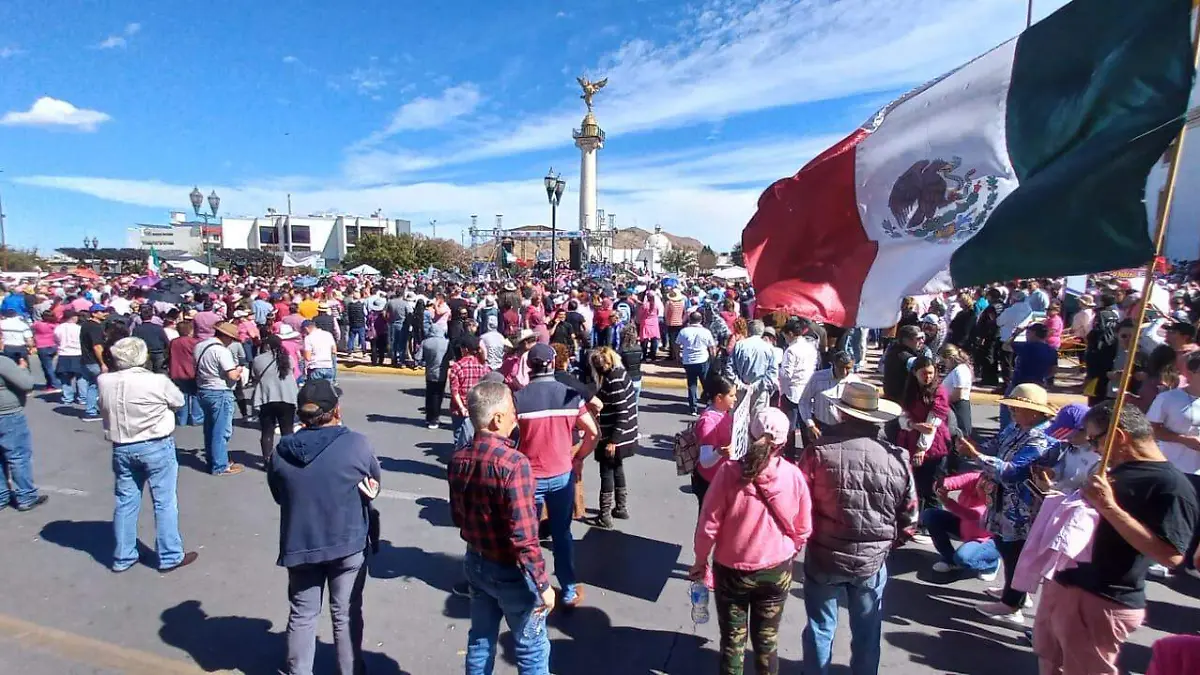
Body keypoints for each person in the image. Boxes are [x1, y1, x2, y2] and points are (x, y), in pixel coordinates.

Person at [1035, 402, 1199, 675]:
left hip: (1100, 599)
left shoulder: (1171, 486)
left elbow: (1170, 556)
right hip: (1065, 585)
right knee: (1048, 660)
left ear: (1119, 437)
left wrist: (1110, 508)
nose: (1093, 448)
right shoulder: (1113, 470)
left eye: (1095, 440)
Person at [799, 381, 916, 675]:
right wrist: (888, 544)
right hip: (872, 561)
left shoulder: (817, 452)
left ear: (841, 414)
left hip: (824, 553)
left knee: (819, 627)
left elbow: (798, 505)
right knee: (867, 631)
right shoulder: (898, 458)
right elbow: (910, 519)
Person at [267, 379, 381, 675]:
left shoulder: (281, 452)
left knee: (303, 613)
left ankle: (298, 670)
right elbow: (374, 483)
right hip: (348, 542)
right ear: (336, 410)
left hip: (300, 543)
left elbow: (279, 495)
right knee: (345, 613)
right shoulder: (356, 443)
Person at [691, 407, 812, 675]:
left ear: (748, 432)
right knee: (767, 642)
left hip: (731, 568)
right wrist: (791, 548)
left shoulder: (728, 473)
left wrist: (701, 561)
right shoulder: (793, 476)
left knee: (733, 641)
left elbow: (708, 525)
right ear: (783, 443)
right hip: (776, 568)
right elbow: (803, 527)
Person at [449, 380, 554, 674]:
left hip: (477, 562)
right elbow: (524, 536)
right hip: (511, 572)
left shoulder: (458, 459)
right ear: (497, 419)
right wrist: (543, 584)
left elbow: (458, 516)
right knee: (532, 648)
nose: (515, 418)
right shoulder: (514, 463)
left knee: (480, 640)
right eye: (511, 412)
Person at [956, 382, 1059, 626]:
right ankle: (1014, 591)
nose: (1012, 412)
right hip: (1003, 502)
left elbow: (1011, 471)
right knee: (1006, 547)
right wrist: (974, 449)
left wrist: (976, 456)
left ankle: (1013, 603)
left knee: (1016, 552)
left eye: (1017, 408)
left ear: (1034, 412)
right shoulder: (1016, 428)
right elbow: (993, 446)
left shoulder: (1040, 439)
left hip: (1022, 508)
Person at [98, 337, 198, 573]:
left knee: (126, 500)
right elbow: (179, 401)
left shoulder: (105, 381)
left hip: (122, 445)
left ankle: (124, 554)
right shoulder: (156, 381)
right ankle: (170, 554)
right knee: (164, 501)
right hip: (155, 443)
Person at [513, 343, 600, 608]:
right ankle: (569, 588)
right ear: (552, 364)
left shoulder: (518, 398)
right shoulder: (570, 395)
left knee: (529, 536)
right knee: (562, 534)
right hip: (562, 476)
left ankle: (534, 586)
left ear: (530, 367)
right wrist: (578, 456)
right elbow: (592, 433)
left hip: (530, 478)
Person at [896, 355, 951, 516]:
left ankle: (933, 522)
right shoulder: (910, 389)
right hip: (910, 438)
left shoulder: (939, 391)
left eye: (931, 373)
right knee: (915, 486)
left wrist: (921, 449)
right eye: (923, 373)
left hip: (933, 444)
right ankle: (917, 521)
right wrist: (912, 425)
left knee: (932, 487)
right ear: (914, 373)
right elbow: (903, 415)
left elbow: (931, 424)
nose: (928, 377)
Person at [589, 347, 638, 529]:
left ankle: (605, 514)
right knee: (617, 468)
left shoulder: (613, 379)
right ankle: (621, 507)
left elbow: (621, 411)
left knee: (607, 472)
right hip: (625, 434)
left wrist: (612, 441)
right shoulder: (620, 372)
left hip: (614, 434)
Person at [921, 471, 1000, 578]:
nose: (984, 481)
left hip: (985, 537)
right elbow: (952, 482)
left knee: (963, 559)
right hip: (964, 525)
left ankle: (990, 564)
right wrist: (941, 486)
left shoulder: (997, 496)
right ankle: (950, 560)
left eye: (989, 481)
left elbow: (973, 515)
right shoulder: (973, 478)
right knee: (930, 515)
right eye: (984, 477)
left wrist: (947, 502)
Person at [194, 322, 245, 477]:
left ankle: (213, 459)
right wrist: (239, 371)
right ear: (226, 337)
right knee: (221, 430)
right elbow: (231, 375)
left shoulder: (200, 346)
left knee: (210, 428)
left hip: (203, 389)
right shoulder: (221, 351)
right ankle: (220, 465)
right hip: (219, 390)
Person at [251, 333, 299, 462]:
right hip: (287, 397)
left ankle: (267, 460)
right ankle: (288, 458)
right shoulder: (288, 358)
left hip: (267, 397)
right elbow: (293, 372)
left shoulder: (258, 359)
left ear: (267, 345)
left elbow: (255, 376)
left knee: (267, 431)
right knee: (287, 430)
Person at [796, 351, 860, 439]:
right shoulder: (818, 378)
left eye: (848, 368)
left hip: (845, 429)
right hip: (821, 427)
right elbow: (804, 401)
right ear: (833, 364)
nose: (844, 372)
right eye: (841, 367)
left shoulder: (855, 381)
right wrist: (810, 425)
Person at [448, 334, 490, 449]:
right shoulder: (482, 367)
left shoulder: (457, 367)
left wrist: (461, 407)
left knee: (459, 439)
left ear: (465, 349)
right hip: (476, 408)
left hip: (460, 409)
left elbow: (454, 390)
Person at [678, 311, 717, 416]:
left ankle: (693, 408)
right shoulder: (706, 332)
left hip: (688, 361)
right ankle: (709, 405)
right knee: (706, 383)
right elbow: (712, 347)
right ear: (701, 320)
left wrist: (679, 357)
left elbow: (677, 345)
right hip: (702, 360)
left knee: (692, 384)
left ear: (690, 320)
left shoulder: (684, 331)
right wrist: (713, 360)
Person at [168, 320, 204, 426]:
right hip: (191, 372)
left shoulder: (173, 342)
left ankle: (181, 418)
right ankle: (196, 417)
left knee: (182, 395)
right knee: (195, 395)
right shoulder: (194, 342)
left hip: (177, 371)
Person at [79, 306, 110, 422]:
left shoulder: (85, 325)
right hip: (93, 361)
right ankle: (90, 411)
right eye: (102, 312)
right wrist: (103, 362)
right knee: (95, 385)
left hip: (86, 359)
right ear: (94, 313)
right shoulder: (94, 327)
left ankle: (93, 407)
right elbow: (97, 346)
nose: (105, 314)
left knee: (91, 384)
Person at [881, 325, 925, 403]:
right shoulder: (906, 357)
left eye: (922, 338)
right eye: (918, 338)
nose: (922, 341)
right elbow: (923, 372)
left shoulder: (893, 348)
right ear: (906, 340)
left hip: (893, 395)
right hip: (900, 400)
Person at [940, 343, 974, 437]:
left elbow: (959, 394)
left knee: (959, 434)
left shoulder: (960, 370)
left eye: (945, 362)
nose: (945, 365)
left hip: (957, 407)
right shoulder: (958, 369)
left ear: (950, 358)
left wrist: (941, 401)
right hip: (954, 406)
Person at [421, 323, 451, 429]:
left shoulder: (425, 342)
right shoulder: (447, 343)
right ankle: (435, 419)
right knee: (438, 396)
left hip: (429, 373)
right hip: (442, 373)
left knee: (429, 395)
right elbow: (450, 357)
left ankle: (429, 418)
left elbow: (418, 357)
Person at [53, 310, 83, 405]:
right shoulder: (79, 328)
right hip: (78, 353)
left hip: (64, 354)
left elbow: (56, 340)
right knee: (81, 377)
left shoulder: (58, 328)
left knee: (65, 378)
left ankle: (67, 397)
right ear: (74, 317)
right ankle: (82, 397)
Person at [132, 305, 170, 373]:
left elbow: (134, 342)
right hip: (158, 353)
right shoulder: (158, 328)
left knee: (146, 374)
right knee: (160, 374)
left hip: (144, 354)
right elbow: (166, 341)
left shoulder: (137, 329)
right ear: (152, 316)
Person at [31, 311, 60, 393]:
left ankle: (55, 384)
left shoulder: (38, 324)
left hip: (42, 346)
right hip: (53, 345)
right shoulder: (55, 325)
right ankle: (50, 384)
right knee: (49, 366)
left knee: (47, 367)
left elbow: (31, 328)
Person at [618, 324, 644, 408]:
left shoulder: (621, 350)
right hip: (637, 379)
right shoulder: (639, 348)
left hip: (625, 380)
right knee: (634, 406)